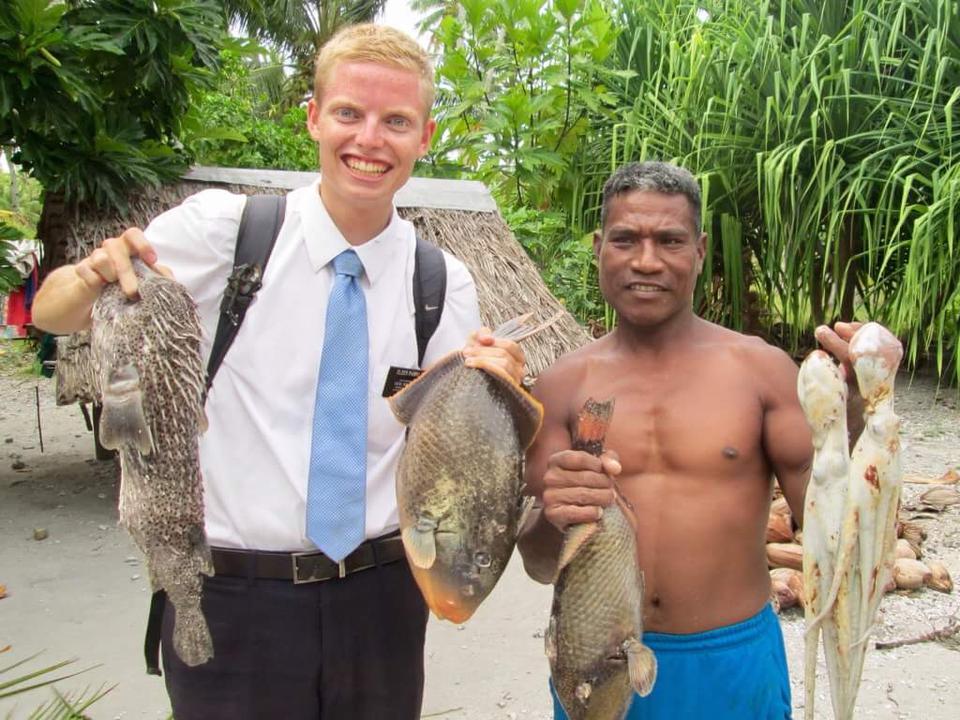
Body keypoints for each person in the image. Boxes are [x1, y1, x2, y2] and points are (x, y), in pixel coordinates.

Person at [32, 23, 524, 720]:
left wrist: (499, 389)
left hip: (380, 601)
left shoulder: (442, 281)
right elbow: (52, 314)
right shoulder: (225, 233)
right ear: (314, 117)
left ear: (425, 135)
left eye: (396, 121)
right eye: (349, 113)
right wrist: (91, 273)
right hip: (233, 597)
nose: (369, 139)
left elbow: (448, 438)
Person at [517, 161, 865, 719]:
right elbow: (537, 561)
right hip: (594, 664)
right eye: (626, 239)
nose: (646, 261)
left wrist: (856, 411)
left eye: (670, 241)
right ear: (599, 246)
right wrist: (554, 516)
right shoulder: (560, 386)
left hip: (730, 660)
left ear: (700, 250)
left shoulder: (761, 372)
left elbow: (830, 521)